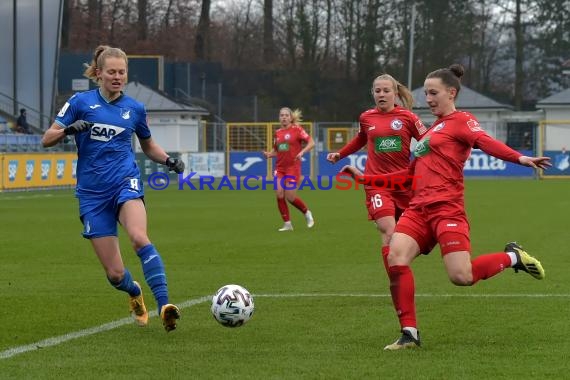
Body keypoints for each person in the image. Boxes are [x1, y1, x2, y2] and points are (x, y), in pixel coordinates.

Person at [342, 64, 551, 350]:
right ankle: (409, 333)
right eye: (426, 93)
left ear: (451, 93)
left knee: (461, 277)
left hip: (446, 209)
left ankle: (512, 257)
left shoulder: (462, 121)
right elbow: (409, 175)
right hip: (418, 209)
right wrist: (365, 178)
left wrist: (521, 158)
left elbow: (486, 142)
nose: (428, 99)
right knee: (395, 256)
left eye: (433, 93)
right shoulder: (430, 132)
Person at [41, 45, 185, 332]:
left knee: (139, 238)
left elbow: (148, 145)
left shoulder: (135, 109)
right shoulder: (80, 102)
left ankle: (165, 305)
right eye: (112, 72)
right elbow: (47, 138)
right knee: (115, 274)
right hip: (92, 195)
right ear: (99, 73)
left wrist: (168, 160)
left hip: (125, 182)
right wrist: (69, 130)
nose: (117, 77)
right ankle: (134, 292)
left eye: (122, 72)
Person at [327, 74, 427, 272]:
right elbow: (360, 139)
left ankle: (399, 267)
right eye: (377, 90)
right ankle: (397, 282)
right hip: (375, 184)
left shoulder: (408, 117)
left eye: (386, 90)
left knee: (416, 235)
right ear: (372, 93)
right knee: (388, 231)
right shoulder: (366, 117)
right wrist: (341, 154)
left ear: (395, 94)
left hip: (402, 183)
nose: (381, 94)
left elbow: (428, 140)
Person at [263, 107, 315, 231]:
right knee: (279, 194)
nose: (284, 117)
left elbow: (311, 143)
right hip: (280, 169)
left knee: (290, 196)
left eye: (286, 115)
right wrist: (270, 154)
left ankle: (307, 213)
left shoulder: (297, 130)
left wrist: (302, 152)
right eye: (282, 115)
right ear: (279, 118)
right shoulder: (278, 133)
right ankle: (287, 224)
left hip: (293, 167)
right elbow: (278, 149)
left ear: (291, 118)